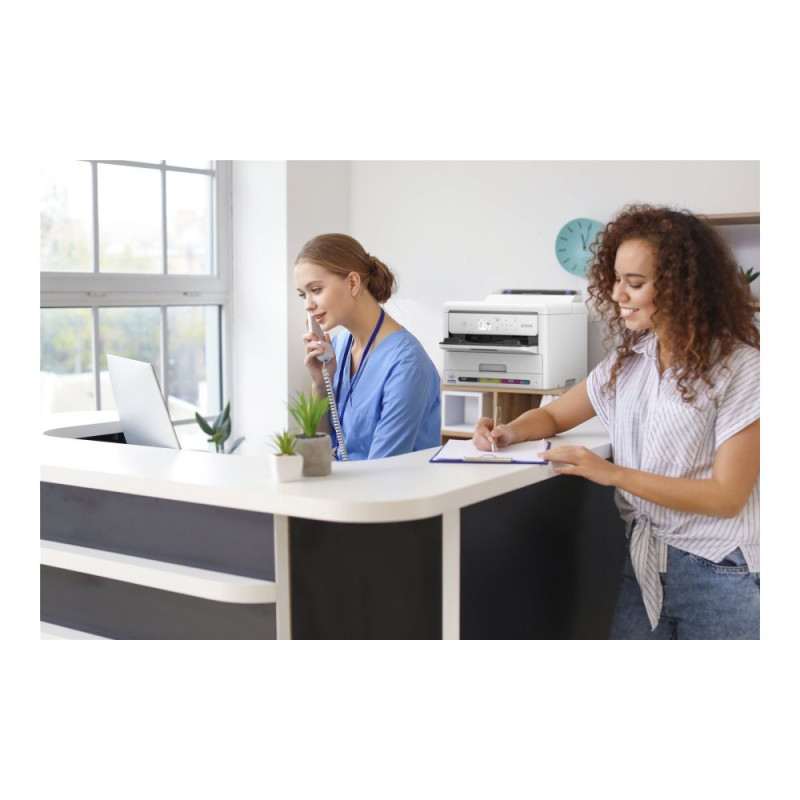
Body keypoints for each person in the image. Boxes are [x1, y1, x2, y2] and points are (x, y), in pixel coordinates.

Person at [472, 205, 760, 639]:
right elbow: (554, 413)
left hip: (721, 572)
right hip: (644, 563)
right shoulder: (627, 363)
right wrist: (507, 431)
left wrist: (612, 474)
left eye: (635, 283)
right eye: (616, 279)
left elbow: (726, 497)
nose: (617, 294)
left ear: (683, 287)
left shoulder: (743, 368)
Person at [295, 233, 441, 461]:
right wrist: (321, 383)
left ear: (352, 283)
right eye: (302, 295)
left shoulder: (407, 365)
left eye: (315, 290)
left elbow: (382, 471)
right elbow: (317, 454)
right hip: (342, 481)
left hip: (386, 483)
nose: (308, 305)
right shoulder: (338, 347)